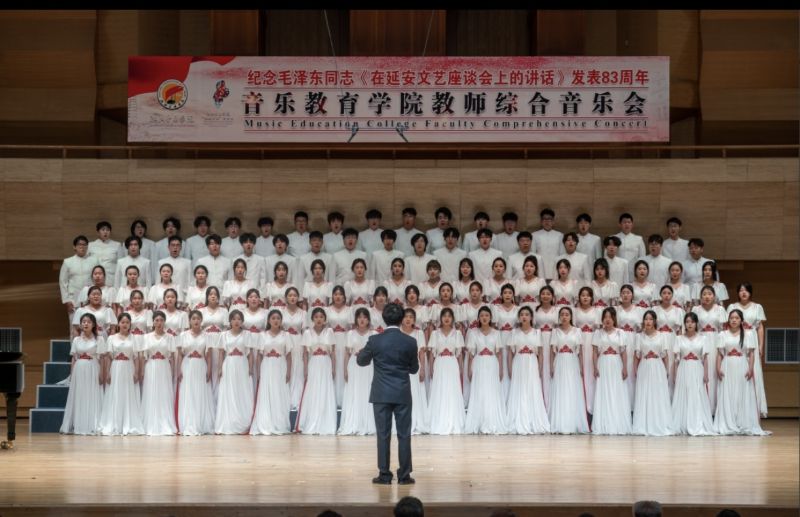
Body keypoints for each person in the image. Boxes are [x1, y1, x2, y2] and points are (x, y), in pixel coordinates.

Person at [357, 303, 419, 484]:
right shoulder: (410, 341)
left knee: (383, 435)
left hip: (381, 393)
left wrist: (363, 353)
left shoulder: (375, 340)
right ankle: (404, 475)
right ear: (402, 319)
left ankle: (384, 474)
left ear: (384, 318)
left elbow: (361, 361)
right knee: (404, 435)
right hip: (402, 393)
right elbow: (414, 369)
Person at [713, 309, 768, 435]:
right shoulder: (722, 334)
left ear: (741, 320)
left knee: (742, 393)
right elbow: (719, 354)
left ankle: (742, 422)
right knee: (728, 393)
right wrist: (718, 368)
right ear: (728, 320)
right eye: (732, 318)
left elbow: (751, 354)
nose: (734, 320)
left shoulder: (748, 335)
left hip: (742, 365)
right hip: (727, 366)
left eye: (737, 318)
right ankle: (728, 422)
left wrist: (750, 368)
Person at [98, 312, 144, 436]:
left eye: (127, 322)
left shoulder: (135, 338)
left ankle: (128, 422)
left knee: (128, 394)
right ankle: (115, 422)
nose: (125, 324)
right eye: (122, 322)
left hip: (129, 367)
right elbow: (108, 357)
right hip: (116, 368)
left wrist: (136, 372)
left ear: (130, 324)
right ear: (118, 324)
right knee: (116, 393)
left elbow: (137, 357)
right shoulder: (111, 338)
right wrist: (107, 372)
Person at [464, 306, 508, 434]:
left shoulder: (496, 333)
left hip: (492, 363)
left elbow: (499, 354)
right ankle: (478, 422)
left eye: (487, 315)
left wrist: (501, 370)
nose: (484, 318)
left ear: (491, 318)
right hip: (478, 363)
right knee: (479, 391)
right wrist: (469, 369)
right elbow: (471, 354)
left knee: (491, 391)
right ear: (478, 318)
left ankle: (491, 421)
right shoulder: (473, 333)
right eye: (482, 315)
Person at [506, 306, 549, 434]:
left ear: (531, 317)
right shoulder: (514, 333)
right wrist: (510, 369)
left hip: (532, 363)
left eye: (527, 314)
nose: (524, 317)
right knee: (519, 390)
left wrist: (539, 369)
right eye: (522, 314)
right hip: (518, 362)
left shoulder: (537, 333)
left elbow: (540, 353)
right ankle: (518, 420)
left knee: (532, 389)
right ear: (519, 318)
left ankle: (532, 420)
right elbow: (510, 353)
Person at [727, 282, 768, 417]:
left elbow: (760, 327)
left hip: (752, 339)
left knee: (753, 371)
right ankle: (735, 410)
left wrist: (761, 346)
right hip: (736, 339)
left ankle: (753, 410)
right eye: (741, 290)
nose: (743, 293)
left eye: (746, 290)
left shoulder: (757, 307)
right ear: (738, 293)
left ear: (750, 292)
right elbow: (727, 326)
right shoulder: (732, 307)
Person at [60, 313, 105, 435]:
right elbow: (74, 358)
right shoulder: (76, 340)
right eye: (84, 322)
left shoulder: (99, 339)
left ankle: (92, 424)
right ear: (80, 324)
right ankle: (79, 424)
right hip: (79, 370)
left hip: (93, 368)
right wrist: (72, 374)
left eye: (89, 322)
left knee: (92, 394)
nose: (86, 324)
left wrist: (101, 373)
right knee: (80, 395)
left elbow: (102, 358)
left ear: (93, 324)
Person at [671, 312, 715, 436]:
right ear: (684, 324)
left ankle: (697, 423)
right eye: (687, 322)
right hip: (683, 368)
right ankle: (683, 424)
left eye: (692, 322)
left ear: (696, 324)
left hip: (697, 368)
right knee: (684, 394)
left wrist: (706, 374)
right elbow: (676, 359)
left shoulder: (703, 338)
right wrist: (675, 375)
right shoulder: (678, 338)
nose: (689, 324)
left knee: (696, 394)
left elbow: (705, 358)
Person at [548, 306, 589, 434]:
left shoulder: (577, 331)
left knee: (572, 389)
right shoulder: (555, 331)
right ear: (559, 317)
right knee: (561, 389)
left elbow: (580, 352)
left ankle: (573, 422)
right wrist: (551, 367)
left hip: (572, 362)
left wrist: (581, 367)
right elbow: (552, 352)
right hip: (560, 361)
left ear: (571, 317)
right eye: (562, 314)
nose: (564, 317)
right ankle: (559, 422)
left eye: (567, 314)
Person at [296, 308, 338, 435]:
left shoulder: (329, 331)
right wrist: (305, 369)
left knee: (325, 390)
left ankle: (326, 421)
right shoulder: (307, 333)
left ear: (325, 319)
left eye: (321, 317)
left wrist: (333, 368)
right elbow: (305, 353)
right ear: (312, 319)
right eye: (316, 317)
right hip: (313, 363)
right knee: (313, 390)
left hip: (326, 363)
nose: (319, 319)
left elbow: (333, 352)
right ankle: (312, 420)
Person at [250, 309, 292, 435]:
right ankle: (266, 422)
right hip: (267, 365)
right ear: (268, 320)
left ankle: (280, 423)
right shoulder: (262, 335)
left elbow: (289, 356)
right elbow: (259, 356)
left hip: (281, 366)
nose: (276, 320)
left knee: (280, 393)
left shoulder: (286, 335)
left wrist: (288, 372)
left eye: (278, 318)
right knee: (267, 393)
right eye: (273, 318)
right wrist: (259, 372)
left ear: (281, 321)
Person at [591, 308, 632, 435]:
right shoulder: (598, 333)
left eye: (610, 317)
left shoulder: (620, 333)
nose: (607, 319)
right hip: (603, 363)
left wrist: (625, 367)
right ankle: (604, 423)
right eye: (605, 317)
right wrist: (595, 367)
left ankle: (618, 423)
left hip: (616, 364)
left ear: (614, 318)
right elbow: (594, 352)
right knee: (604, 391)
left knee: (617, 391)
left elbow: (623, 352)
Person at [632, 310, 673, 436]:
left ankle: (659, 423)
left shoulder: (662, 336)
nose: (648, 322)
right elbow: (636, 356)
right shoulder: (639, 337)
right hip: (644, 367)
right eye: (646, 319)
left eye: (650, 319)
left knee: (658, 394)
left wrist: (666, 371)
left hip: (658, 367)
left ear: (655, 321)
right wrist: (635, 370)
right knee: (644, 394)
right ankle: (643, 424)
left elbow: (665, 356)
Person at [214, 310, 255, 434]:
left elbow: (250, 354)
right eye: (234, 319)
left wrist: (250, 368)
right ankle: (229, 422)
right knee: (229, 392)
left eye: (239, 319)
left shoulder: (247, 334)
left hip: (242, 365)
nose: (236, 321)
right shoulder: (224, 335)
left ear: (242, 321)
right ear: (230, 321)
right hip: (229, 364)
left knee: (242, 392)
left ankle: (243, 422)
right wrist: (220, 368)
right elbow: (221, 353)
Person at [338, 307, 376, 435]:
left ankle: (369, 424)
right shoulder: (350, 334)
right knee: (354, 392)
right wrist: (345, 370)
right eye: (359, 317)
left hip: (369, 366)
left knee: (368, 391)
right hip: (354, 365)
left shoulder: (374, 334)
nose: (362, 320)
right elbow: (347, 354)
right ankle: (354, 422)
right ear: (355, 319)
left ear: (368, 319)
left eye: (364, 317)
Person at [427, 307, 466, 435]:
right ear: (440, 318)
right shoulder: (434, 333)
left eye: (449, 316)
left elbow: (459, 355)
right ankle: (439, 420)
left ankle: (453, 419)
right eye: (444, 316)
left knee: (452, 390)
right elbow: (432, 354)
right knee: (440, 389)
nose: (447, 318)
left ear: (453, 318)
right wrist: (431, 368)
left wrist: (460, 369)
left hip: (452, 363)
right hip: (439, 363)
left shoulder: (458, 333)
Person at [176, 310, 215, 436]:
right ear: (189, 321)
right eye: (193, 318)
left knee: (200, 393)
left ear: (201, 320)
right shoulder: (183, 335)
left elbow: (209, 355)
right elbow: (180, 354)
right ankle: (188, 423)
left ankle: (201, 423)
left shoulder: (207, 336)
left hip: (201, 366)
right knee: (188, 393)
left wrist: (209, 369)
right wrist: (178, 369)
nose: (196, 321)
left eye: (198, 318)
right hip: (187, 366)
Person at [139, 311, 177, 436]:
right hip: (151, 366)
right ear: (153, 322)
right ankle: (150, 423)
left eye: (161, 320)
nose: (159, 323)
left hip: (164, 367)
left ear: (164, 322)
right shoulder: (146, 337)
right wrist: (142, 371)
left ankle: (165, 422)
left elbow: (172, 357)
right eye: (156, 320)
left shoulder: (170, 337)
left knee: (164, 393)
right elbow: (143, 356)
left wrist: (173, 371)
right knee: (151, 392)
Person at [692, 285, 728, 413]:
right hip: (699, 341)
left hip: (715, 341)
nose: (707, 296)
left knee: (714, 371)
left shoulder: (720, 309)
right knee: (701, 372)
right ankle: (701, 409)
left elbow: (724, 330)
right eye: (704, 294)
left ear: (714, 296)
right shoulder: (695, 309)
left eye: (709, 294)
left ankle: (715, 409)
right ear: (700, 297)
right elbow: (691, 327)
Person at [400, 308, 430, 434]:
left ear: (414, 320)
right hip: (400, 367)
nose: (408, 319)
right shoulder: (398, 333)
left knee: (415, 394)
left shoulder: (419, 333)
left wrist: (422, 369)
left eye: (411, 317)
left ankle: (416, 421)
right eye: (406, 316)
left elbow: (421, 353)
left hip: (414, 367)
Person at [60, 235, 99, 324]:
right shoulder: (67, 262)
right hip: (73, 300)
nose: (82, 247)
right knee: (75, 325)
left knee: (91, 325)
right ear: (74, 247)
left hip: (90, 299)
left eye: (84, 244)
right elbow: (63, 282)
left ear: (87, 247)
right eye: (79, 244)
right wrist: (67, 301)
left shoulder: (94, 261)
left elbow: (98, 279)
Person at [574, 287, 601, 414]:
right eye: (582, 295)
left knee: (591, 371)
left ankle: (592, 404)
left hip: (592, 341)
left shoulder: (597, 311)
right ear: (579, 297)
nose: (585, 297)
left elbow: (599, 330)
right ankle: (580, 404)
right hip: (578, 341)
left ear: (591, 298)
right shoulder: (574, 311)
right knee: (579, 370)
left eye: (588, 295)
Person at [280, 287, 307, 410]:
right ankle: (284, 399)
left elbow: (305, 331)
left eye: (295, 295)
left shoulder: (303, 313)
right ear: (286, 297)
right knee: (285, 368)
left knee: (297, 368)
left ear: (298, 298)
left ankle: (297, 399)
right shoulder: (280, 311)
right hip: (284, 341)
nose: (292, 298)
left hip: (298, 342)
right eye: (290, 295)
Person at [326, 286, 352, 407]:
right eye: (335, 294)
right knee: (332, 368)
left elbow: (352, 328)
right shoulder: (327, 310)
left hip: (345, 340)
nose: (338, 296)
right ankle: (331, 400)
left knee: (343, 367)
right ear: (332, 296)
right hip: (331, 341)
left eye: (340, 294)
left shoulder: (349, 310)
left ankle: (344, 399)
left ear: (344, 297)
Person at [534, 286, 559, 408]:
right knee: (539, 367)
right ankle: (540, 402)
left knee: (551, 366)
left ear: (552, 296)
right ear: (539, 296)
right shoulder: (535, 310)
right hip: (538, 339)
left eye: (548, 294)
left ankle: (551, 403)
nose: (545, 296)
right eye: (543, 293)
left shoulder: (557, 310)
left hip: (552, 339)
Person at [532, 208, 565, 281]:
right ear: (541, 221)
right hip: (539, 271)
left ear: (553, 221)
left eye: (549, 219)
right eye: (544, 219)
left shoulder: (560, 235)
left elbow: (562, 255)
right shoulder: (534, 235)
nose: (547, 221)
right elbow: (533, 255)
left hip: (555, 270)